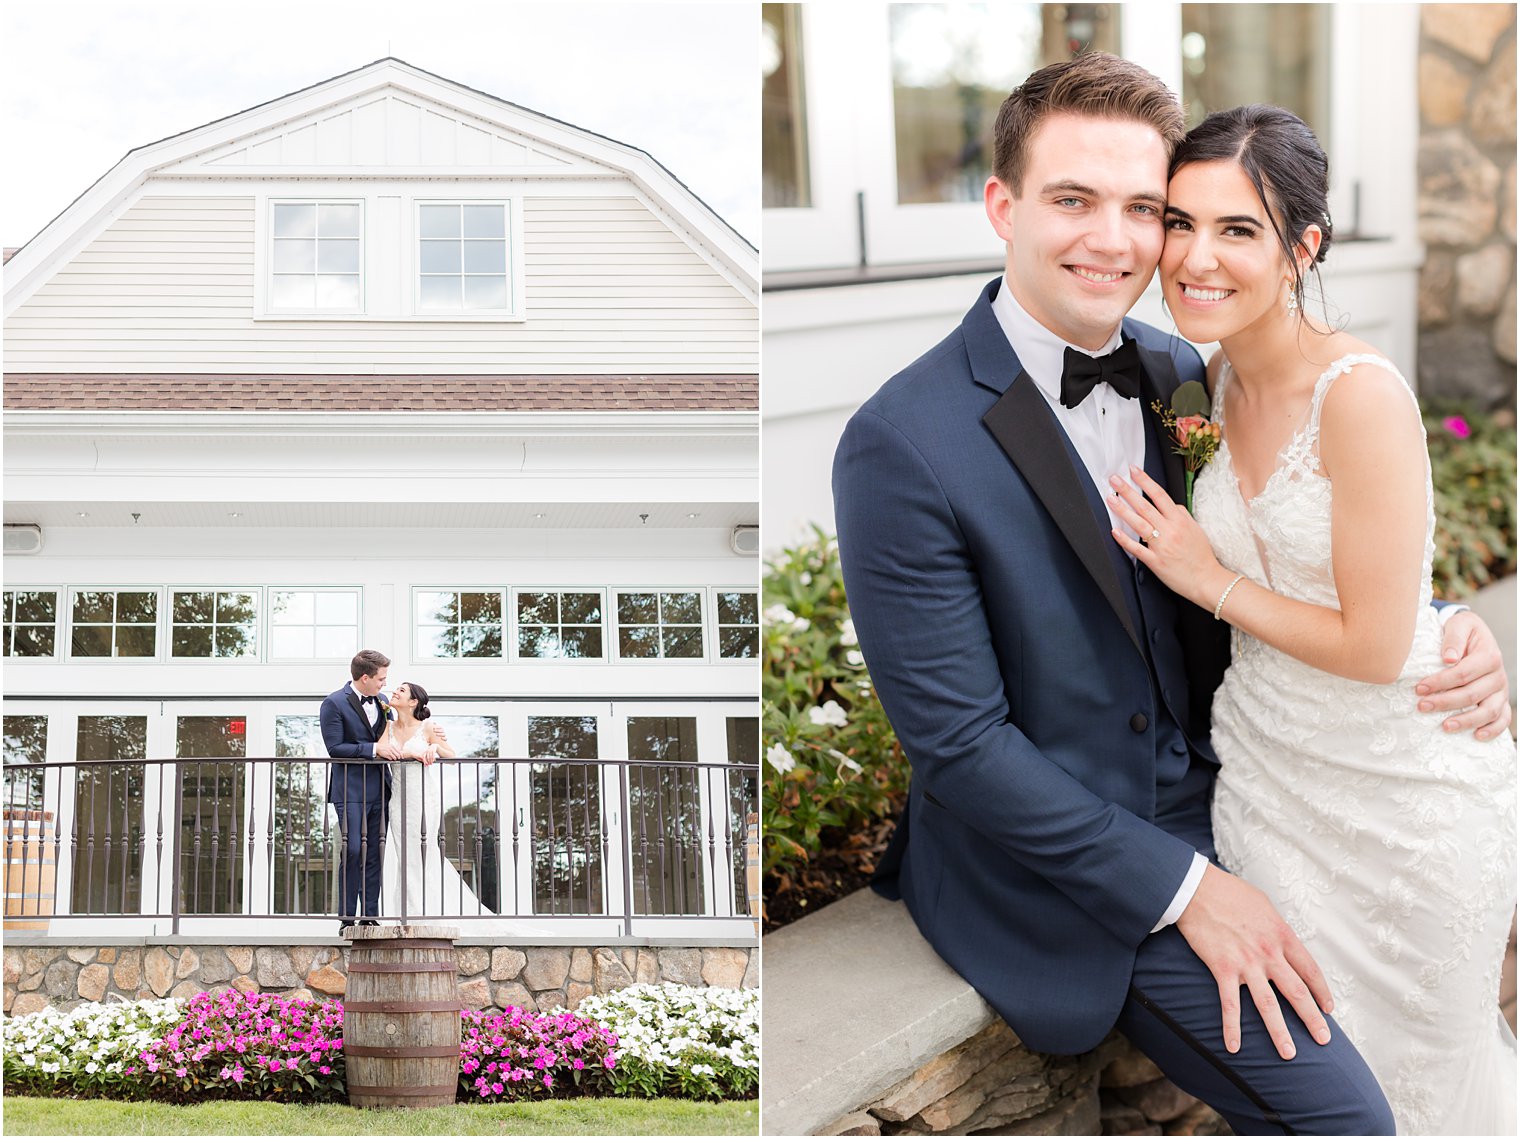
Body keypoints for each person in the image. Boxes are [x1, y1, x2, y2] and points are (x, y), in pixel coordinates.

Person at [831, 52, 1512, 1135]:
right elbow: (958, 747)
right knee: (1348, 1117)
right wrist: (1188, 889)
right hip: (1082, 864)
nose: (1114, 239)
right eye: (1071, 200)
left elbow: (1298, 550)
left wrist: (1440, 630)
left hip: (1259, 790)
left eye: (1140, 208)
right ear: (1000, 205)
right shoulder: (898, 443)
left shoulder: (1183, 366)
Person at [1104, 103, 1516, 1134]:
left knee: (1419, 1082)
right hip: (1271, 787)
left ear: (1302, 246)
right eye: (1178, 222)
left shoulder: (1359, 394)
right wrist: (1451, 609)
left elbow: (1378, 643)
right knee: (1316, 1098)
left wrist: (1207, 578)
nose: (1196, 256)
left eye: (1237, 229)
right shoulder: (1199, 374)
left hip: (1402, 800)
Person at [379, 680, 474, 923]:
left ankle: (422, 914)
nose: (394, 692)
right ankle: (409, 912)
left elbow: (452, 757)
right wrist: (411, 753)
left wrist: (433, 746)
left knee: (423, 853)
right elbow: (381, 751)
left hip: (423, 799)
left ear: (413, 702)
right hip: (398, 800)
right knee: (406, 856)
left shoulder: (428, 727)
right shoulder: (386, 726)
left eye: (401, 690)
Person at [319, 648, 401, 930]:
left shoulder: (383, 701)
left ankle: (369, 915)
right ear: (364, 677)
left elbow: (396, 733)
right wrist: (373, 748)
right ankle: (347, 918)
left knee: (375, 853)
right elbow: (335, 748)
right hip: (350, 790)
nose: (384, 684)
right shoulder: (333, 703)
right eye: (381, 678)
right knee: (353, 850)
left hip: (380, 787)